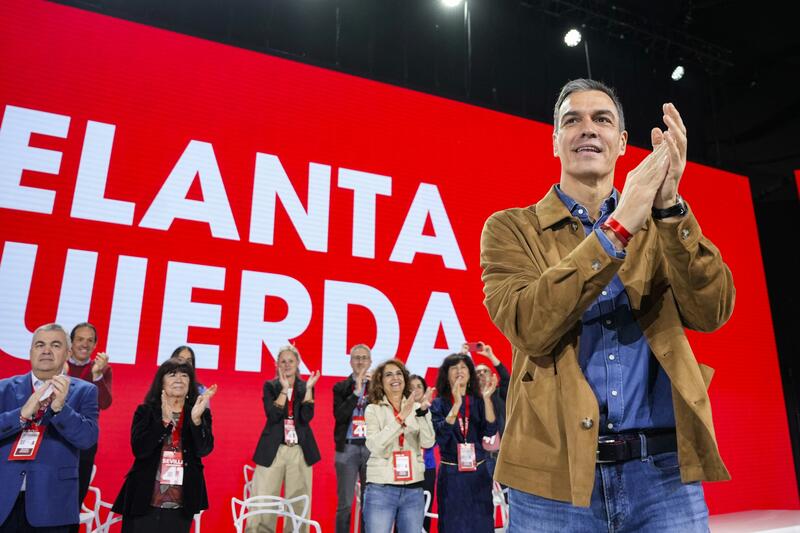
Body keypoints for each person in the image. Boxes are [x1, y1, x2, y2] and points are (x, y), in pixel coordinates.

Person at [479, 78, 735, 532]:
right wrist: (616, 229)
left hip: (662, 475)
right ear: (555, 141)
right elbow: (529, 325)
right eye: (571, 120)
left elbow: (711, 311)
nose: (587, 129)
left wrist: (671, 207)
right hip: (552, 482)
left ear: (621, 144)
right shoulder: (510, 229)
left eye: (602, 119)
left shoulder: (661, 226)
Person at [0, 323, 99, 532]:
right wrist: (21, 414)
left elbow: (87, 438)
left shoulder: (85, 391)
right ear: (30, 352)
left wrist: (60, 409)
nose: (46, 350)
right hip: (4, 500)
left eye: (55, 345)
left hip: (52, 505)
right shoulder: (4, 388)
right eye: (39, 345)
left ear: (67, 353)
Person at [112, 358, 215, 533]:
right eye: (172, 374)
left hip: (181, 500)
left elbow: (204, 449)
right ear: (161, 382)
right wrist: (164, 422)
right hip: (144, 496)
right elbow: (140, 449)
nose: (179, 379)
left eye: (184, 375)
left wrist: (196, 422)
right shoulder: (146, 411)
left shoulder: (199, 413)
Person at [249, 346, 321, 533]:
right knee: (264, 501)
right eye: (283, 361)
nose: (287, 364)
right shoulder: (270, 386)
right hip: (273, 449)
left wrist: (309, 390)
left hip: (299, 450)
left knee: (299, 504)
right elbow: (273, 415)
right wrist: (284, 389)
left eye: (291, 361)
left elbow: (306, 417)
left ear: (297, 363)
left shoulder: (306, 386)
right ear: (277, 365)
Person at [363, 359, 435, 533]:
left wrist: (422, 414)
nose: (395, 377)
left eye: (399, 373)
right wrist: (400, 418)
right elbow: (375, 445)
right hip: (381, 488)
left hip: (413, 489)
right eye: (388, 374)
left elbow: (428, 442)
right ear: (380, 382)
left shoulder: (418, 407)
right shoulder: (373, 409)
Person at [430, 353, 498, 533]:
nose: (459, 371)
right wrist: (456, 404)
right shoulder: (438, 404)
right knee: (453, 525)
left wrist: (486, 398)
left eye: (463, 367)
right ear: (447, 374)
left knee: (481, 524)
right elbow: (441, 436)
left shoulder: (478, 401)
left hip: (478, 473)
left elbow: (490, 431)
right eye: (454, 368)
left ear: (470, 374)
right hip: (452, 474)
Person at [67, 322, 113, 520]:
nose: (84, 344)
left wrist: (97, 375)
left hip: (84, 443)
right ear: (71, 342)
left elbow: (104, 402)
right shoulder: (57, 364)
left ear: (95, 345)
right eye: (80, 339)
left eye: (90, 340)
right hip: (55, 438)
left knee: (73, 504)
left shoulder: (102, 369)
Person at [332, 344, 372, 533]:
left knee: (369, 502)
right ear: (350, 362)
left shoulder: (377, 388)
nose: (361, 361)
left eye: (364, 358)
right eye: (357, 358)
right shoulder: (340, 387)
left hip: (371, 449)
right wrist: (356, 392)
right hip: (347, 448)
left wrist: (373, 390)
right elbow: (339, 416)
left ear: (370, 362)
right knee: (345, 504)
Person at [463, 343, 509, 478]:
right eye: (478, 372)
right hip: (479, 457)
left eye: (485, 371)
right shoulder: (468, 398)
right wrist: (463, 356)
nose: (481, 374)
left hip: (502, 455)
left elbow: (507, 379)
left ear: (492, 376)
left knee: (505, 497)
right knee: (482, 497)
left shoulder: (500, 394)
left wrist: (491, 355)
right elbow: (456, 381)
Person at [408, 374, 437, 532]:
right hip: (407, 468)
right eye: (411, 387)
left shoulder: (432, 410)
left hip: (428, 467)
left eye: (419, 386)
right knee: (404, 512)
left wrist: (424, 411)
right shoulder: (402, 411)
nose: (415, 390)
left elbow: (433, 441)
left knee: (425, 511)